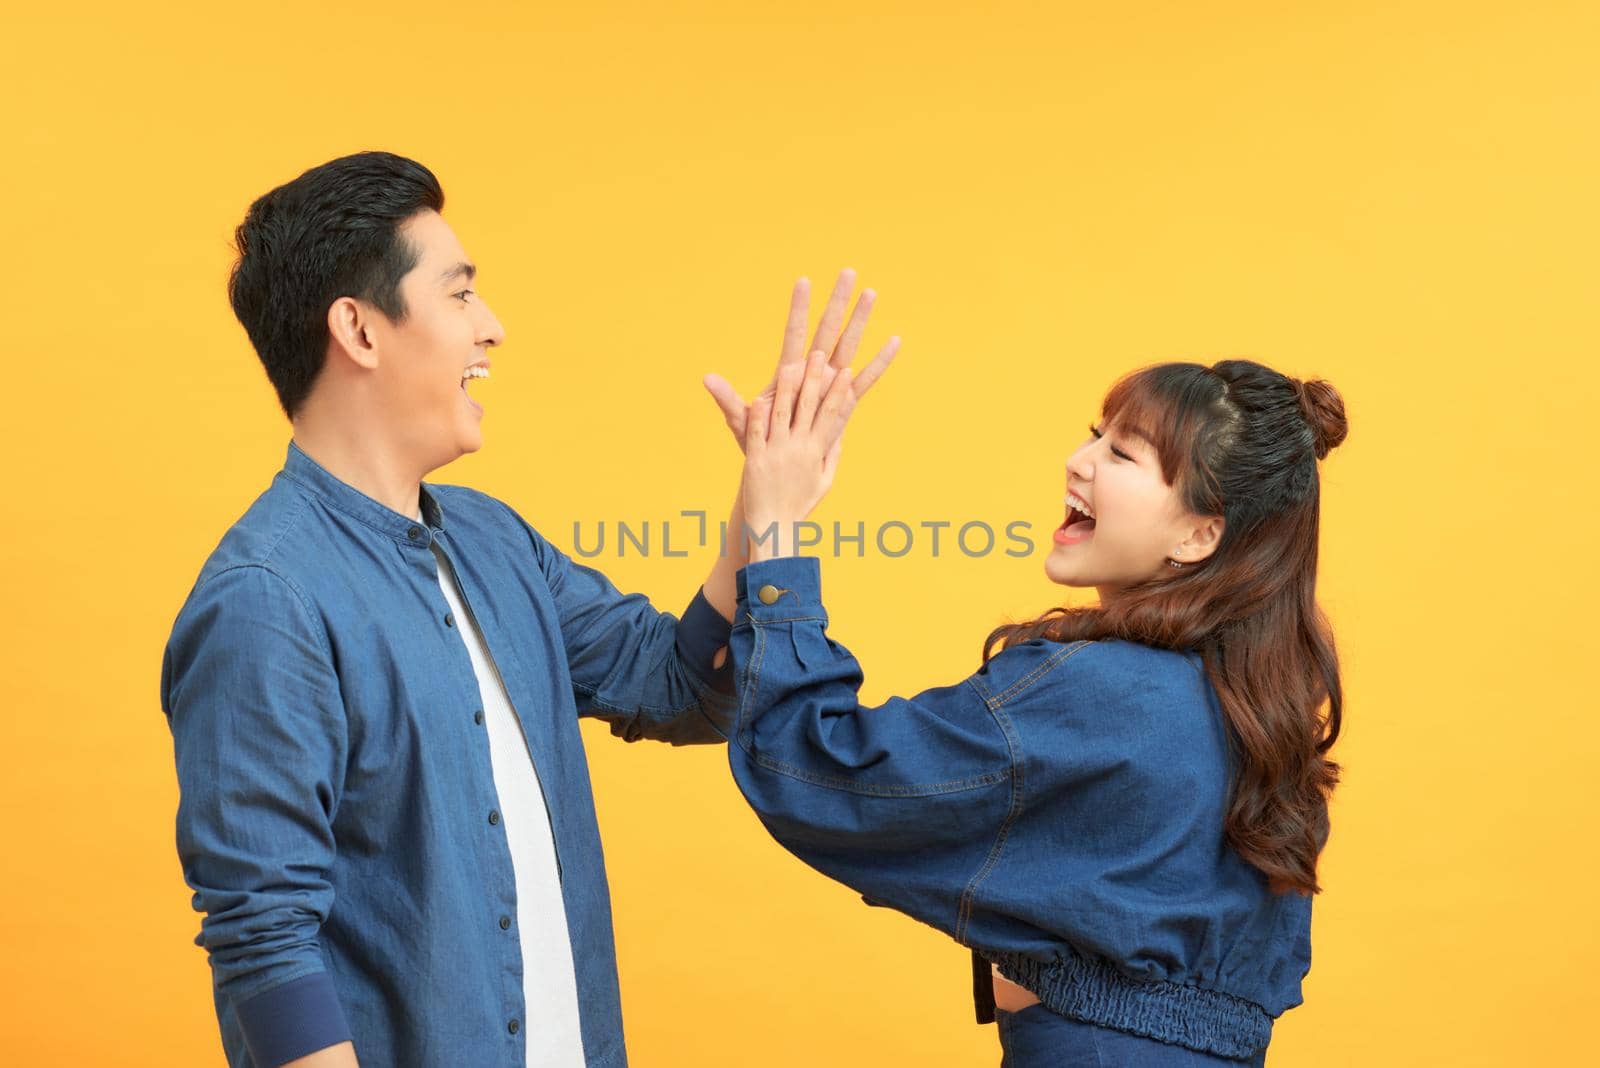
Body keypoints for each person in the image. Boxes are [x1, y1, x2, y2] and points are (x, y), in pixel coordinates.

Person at [158, 150, 899, 1067]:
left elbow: (679, 687)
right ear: (358, 329)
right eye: (460, 294)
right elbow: (264, 936)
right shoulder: (265, 602)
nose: (493, 328)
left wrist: (764, 513)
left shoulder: (494, 539)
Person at [713, 351, 1347, 1065]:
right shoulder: (1259, 715)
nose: (1079, 462)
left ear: (1201, 533)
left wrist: (773, 525)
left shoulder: (1103, 693)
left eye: (1123, 454)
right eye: (1094, 436)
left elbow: (813, 768)